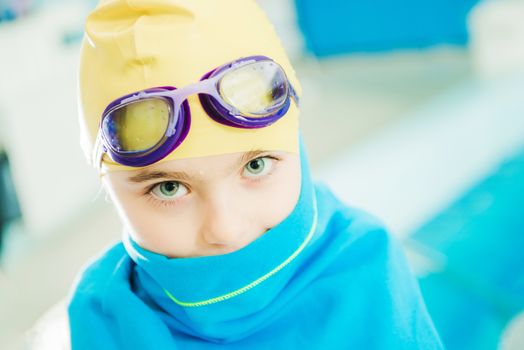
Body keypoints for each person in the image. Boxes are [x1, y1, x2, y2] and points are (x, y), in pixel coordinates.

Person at [68, 0, 443, 348]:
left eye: (255, 165)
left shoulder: (367, 271)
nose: (226, 230)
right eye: (168, 188)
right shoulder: (100, 313)